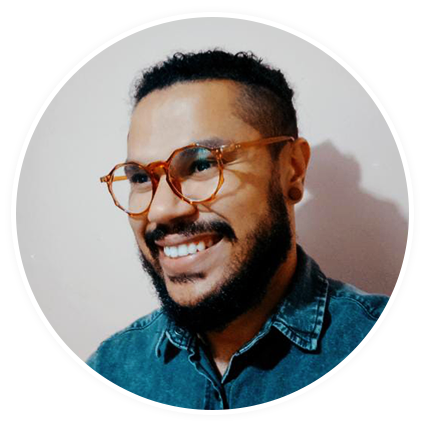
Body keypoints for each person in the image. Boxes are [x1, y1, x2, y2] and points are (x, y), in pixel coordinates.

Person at [88, 50, 389, 410]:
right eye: (140, 177)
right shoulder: (111, 370)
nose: (161, 210)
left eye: (201, 164)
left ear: (292, 170)